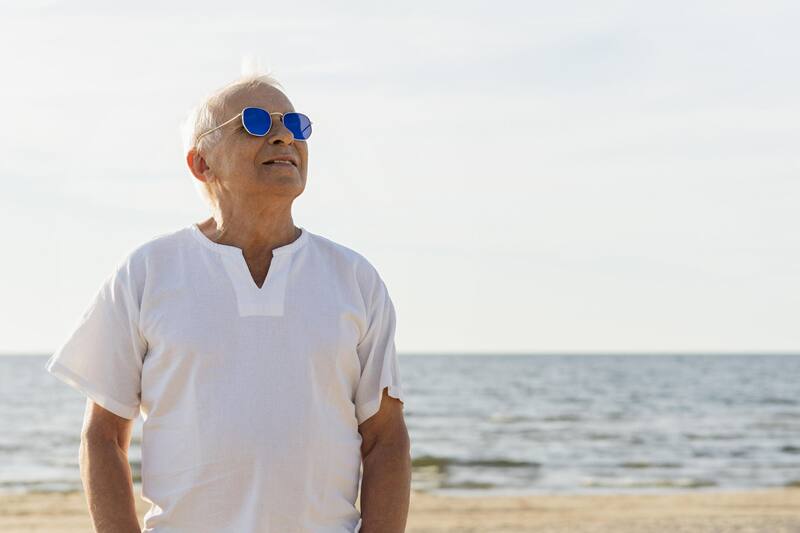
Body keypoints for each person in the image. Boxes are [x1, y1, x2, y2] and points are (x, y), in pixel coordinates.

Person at [45, 72, 411, 533]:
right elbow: (103, 437)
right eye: (255, 123)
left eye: (294, 124)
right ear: (201, 163)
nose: (283, 135)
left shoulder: (355, 278)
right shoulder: (147, 271)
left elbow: (384, 438)